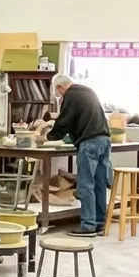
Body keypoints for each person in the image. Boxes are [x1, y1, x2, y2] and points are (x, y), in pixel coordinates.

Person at [42, 75, 113, 236]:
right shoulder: (88, 91)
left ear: (60, 88)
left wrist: (48, 137)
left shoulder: (71, 95)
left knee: (85, 184)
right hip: (104, 140)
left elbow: (64, 121)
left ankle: (88, 226)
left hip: (89, 143)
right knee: (99, 183)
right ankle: (99, 223)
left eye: (58, 92)